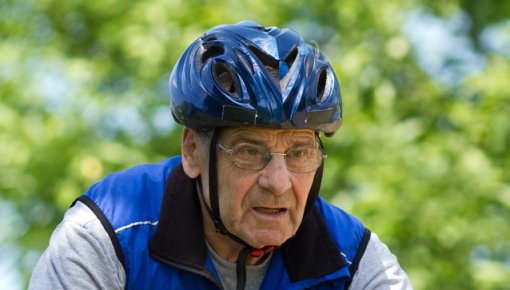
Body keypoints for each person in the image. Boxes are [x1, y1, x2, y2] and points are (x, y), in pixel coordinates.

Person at [29, 21, 412, 290]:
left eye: (299, 152)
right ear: (192, 151)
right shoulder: (107, 234)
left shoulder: (353, 258)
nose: (278, 182)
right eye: (249, 150)